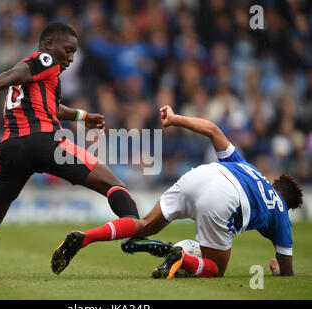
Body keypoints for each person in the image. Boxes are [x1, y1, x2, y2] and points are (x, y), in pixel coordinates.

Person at [0, 22, 141, 280]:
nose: (70, 58)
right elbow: (11, 74)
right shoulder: (44, 60)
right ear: (49, 44)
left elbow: (52, 107)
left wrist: (83, 115)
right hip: (47, 143)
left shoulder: (43, 77)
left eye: (74, 53)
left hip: (12, 149)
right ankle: (135, 233)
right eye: (67, 50)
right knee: (113, 184)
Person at [51, 105, 303, 278]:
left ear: (272, 183)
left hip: (201, 174)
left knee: (146, 224)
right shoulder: (280, 211)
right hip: (224, 195)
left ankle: (85, 237)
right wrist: (280, 272)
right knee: (215, 269)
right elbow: (286, 267)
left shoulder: (248, 167)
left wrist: (175, 119)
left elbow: (213, 131)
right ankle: (183, 258)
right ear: (286, 203)